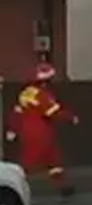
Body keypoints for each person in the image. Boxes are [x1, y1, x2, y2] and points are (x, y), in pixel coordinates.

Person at [3, 62, 79, 197]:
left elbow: (17, 112)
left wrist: (13, 129)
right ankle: (13, 187)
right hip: (41, 131)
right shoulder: (43, 95)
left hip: (27, 130)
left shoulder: (25, 93)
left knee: (53, 159)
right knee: (29, 162)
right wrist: (71, 117)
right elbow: (53, 112)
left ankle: (63, 187)